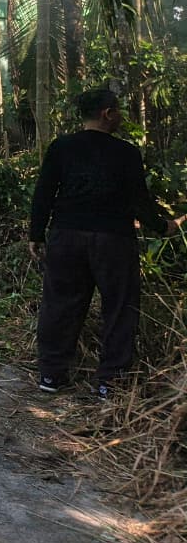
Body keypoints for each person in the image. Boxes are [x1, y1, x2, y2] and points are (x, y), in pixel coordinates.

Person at [29, 88, 184, 399]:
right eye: (118, 111)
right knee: (119, 307)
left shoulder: (62, 147)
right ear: (107, 113)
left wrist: (36, 233)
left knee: (60, 304)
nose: (121, 116)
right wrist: (163, 226)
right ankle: (109, 383)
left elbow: (44, 193)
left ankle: (51, 374)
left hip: (66, 236)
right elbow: (139, 201)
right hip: (113, 240)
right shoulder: (126, 153)